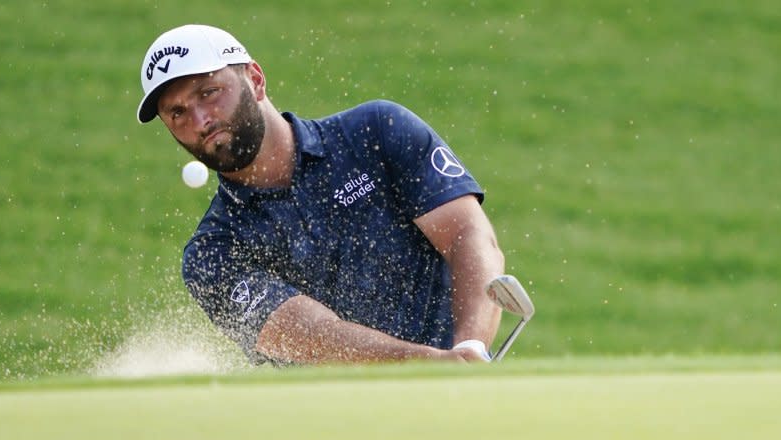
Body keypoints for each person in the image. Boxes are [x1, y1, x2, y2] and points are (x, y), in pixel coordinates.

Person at [137, 24, 506, 366]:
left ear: (255, 79)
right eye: (178, 113)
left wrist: (470, 347)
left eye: (209, 92)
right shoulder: (212, 253)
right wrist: (428, 364)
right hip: (331, 427)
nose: (201, 120)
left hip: (463, 396)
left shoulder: (375, 133)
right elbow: (310, 336)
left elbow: (466, 235)